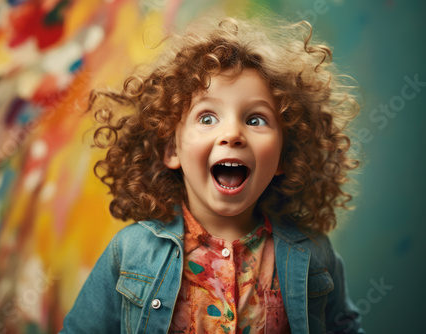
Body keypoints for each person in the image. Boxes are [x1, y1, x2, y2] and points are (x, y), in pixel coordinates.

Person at [60, 16, 364, 334]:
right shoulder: (132, 251)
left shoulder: (313, 253)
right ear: (172, 150)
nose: (232, 133)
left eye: (256, 119)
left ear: (283, 158)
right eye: (207, 117)